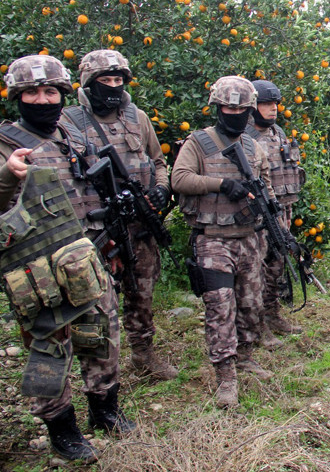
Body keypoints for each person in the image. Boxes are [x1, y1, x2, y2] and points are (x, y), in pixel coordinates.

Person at [0, 55, 134, 462]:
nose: (42, 100)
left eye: (50, 91)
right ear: (17, 97)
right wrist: (8, 175)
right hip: (38, 269)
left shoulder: (72, 135)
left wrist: (109, 246)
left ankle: (104, 411)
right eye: (31, 93)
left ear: (62, 93)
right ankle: (61, 429)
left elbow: (94, 194)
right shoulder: (6, 143)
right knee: (49, 349)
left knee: (102, 337)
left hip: (88, 258)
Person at [61, 49, 177, 381]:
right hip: (94, 229)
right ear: (88, 82)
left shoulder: (136, 117)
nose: (113, 86)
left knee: (142, 292)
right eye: (105, 80)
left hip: (138, 225)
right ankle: (97, 373)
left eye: (118, 80)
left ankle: (143, 354)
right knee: (93, 303)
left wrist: (160, 188)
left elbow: (158, 162)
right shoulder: (68, 122)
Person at [172, 76, 274, 408]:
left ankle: (245, 356)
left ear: (249, 111)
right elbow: (180, 179)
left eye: (241, 109)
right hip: (212, 239)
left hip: (248, 238)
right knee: (220, 306)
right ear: (218, 108)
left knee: (250, 304)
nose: (234, 113)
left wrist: (271, 212)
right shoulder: (198, 143)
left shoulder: (253, 147)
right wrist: (220, 183)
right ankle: (225, 375)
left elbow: (267, 187)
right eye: (228, 107)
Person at [246, 79, 303, 350]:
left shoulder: (277, 132)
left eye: (276, 104)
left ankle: (272, 314)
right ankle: (257, 325)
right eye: (267, 104)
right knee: (257, 268)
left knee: (277, 263)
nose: (273, 109)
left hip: (283, 208)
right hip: (258, 214)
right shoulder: (244, 137)